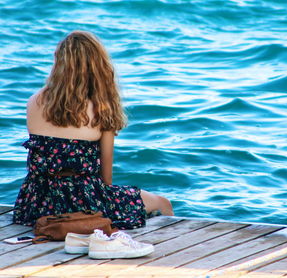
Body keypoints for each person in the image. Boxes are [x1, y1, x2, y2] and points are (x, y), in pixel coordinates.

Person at [13, 31, 173, 229]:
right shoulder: (101, 108)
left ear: (59, 62)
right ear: (98, 66)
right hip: (85, 203)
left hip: (35, 203)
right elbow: (106, 179)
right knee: (162, 203)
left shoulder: (33, 101)